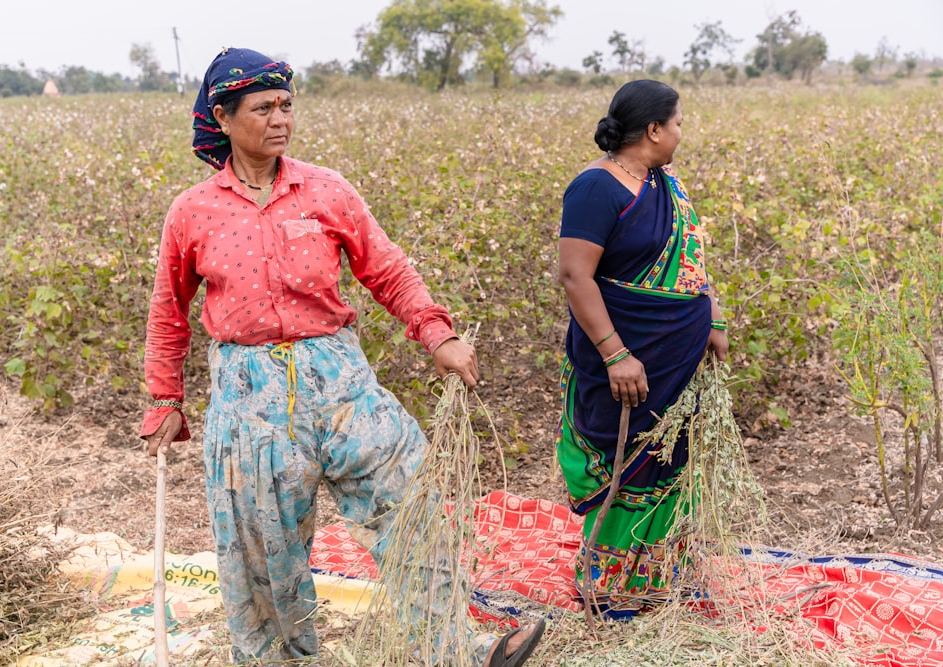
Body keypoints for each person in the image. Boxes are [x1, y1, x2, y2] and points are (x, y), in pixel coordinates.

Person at [139, 47, 544, 665]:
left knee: (411, 503)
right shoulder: (194, 212)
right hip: (249, 397)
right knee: (264, 551)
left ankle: (459, 649)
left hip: (340, 376)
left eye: (286, 106)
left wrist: (437, 333)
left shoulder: (325, 190)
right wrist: (165, 399)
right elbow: (169, 313)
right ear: (222, 117)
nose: (280, 119)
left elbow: (387, 270)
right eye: (262, 108)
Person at [555, 80, 729, 618]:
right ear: (653, 129)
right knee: (628, 459)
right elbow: (575, 276)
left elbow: (693, 260)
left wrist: (714, 320)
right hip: (627, 358)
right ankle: (611, 587)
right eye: (677, 123)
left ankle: (663, 576)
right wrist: (615, 355)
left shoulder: (665, 183)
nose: (681, 132)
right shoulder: (594, 189)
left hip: (679, 358)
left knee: (671, 456)